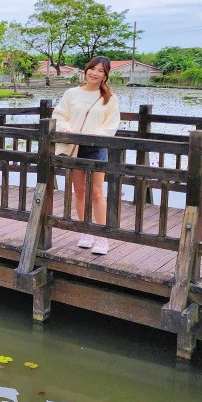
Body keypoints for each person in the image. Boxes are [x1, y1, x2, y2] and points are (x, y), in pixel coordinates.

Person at [51, 56, 120, 255]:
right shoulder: (71, 93)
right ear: (86, 70)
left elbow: (111, 123)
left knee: (97, 192)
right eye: (92, 69)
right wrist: (68, 131)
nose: (95, 73)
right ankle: (85, 232)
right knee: (79, 191)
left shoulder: (109, 98)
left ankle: (102, 237)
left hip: (96, 147)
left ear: (105, 75)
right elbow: (60, 115)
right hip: (73, 146)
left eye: (100, 70)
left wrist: (96, 135)